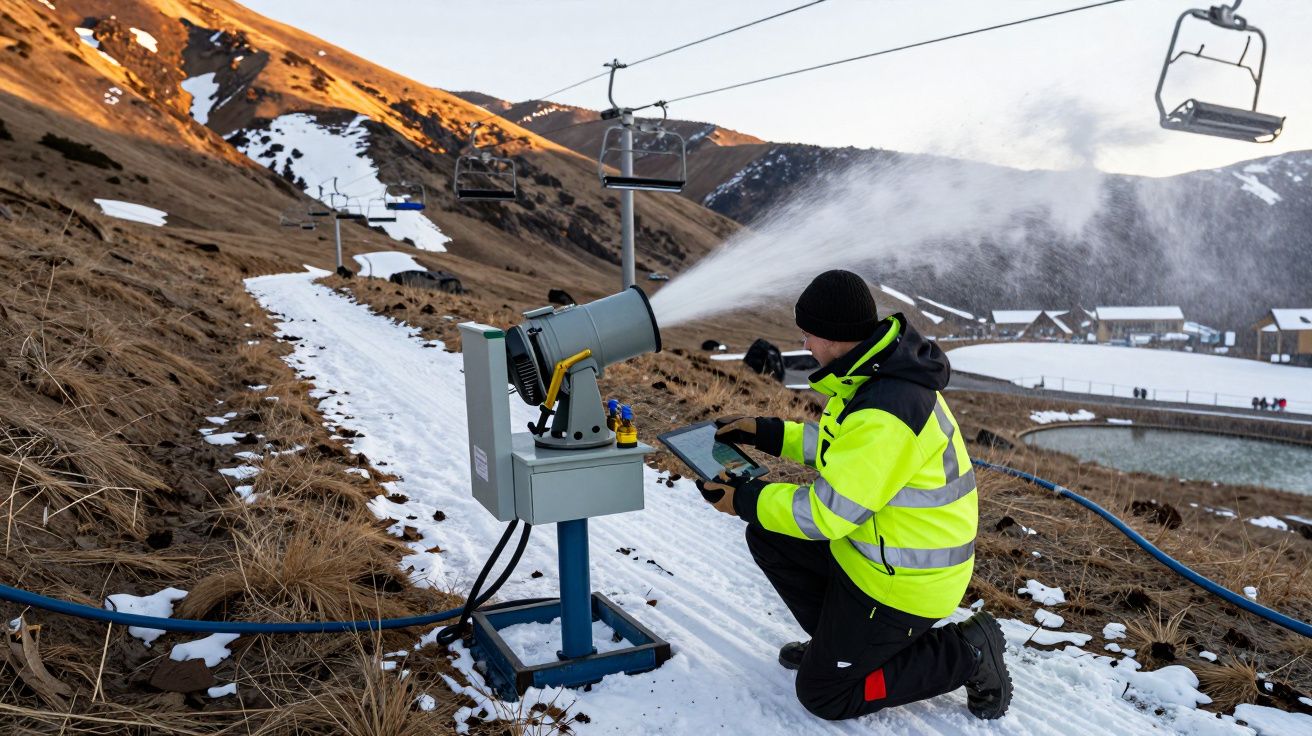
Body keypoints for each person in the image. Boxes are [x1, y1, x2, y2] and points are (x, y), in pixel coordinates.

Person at [698, 270, 1010, 722]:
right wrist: (764, 432)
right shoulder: (871, 377)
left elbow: (827, 516)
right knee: (768, 535)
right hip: (874, 558)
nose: (803, 344)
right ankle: (840, 645)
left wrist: (743, 499)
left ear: (834, 335)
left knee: (824, 693)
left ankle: (968, 652)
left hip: (905, 583)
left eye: (807, 334)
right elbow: (841, 452)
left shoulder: (888, 409)